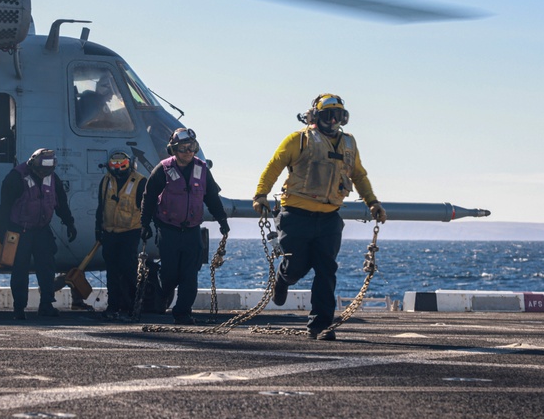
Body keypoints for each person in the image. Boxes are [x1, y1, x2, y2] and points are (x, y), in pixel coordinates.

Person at [253, 94, 387, 341]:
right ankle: (283, 279)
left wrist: (373, 202)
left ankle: (320, 326)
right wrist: (261, 194)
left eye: (338, 115)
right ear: (316, 116)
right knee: (296, 266)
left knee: (326, 270)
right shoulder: (298, 140)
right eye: (328, 115)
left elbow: (359, 175)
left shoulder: (349, 144)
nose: (333, 120)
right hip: (296, 215)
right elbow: (274, 165)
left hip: (329, 218)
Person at [141, 128, 230, 325]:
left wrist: (222, 220)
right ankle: (164, 294)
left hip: (191, 231)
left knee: (190, 275)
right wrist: (144, 223)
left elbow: (212, 197)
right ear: (173, 149)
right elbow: (149, 197)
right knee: (170, 274)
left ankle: (182, 312)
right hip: (168, 230)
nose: (189, 152)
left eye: (192, 147)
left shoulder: (202, 170)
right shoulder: (163, 170)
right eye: (183, 148)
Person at [0, 148, 78, 320]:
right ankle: (19, 308)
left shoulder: (52, 178)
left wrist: (69, 223)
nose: (43, 174)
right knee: (20, 270)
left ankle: (46, 305)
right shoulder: (15, 178)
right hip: (20, 230)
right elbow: (4, 207)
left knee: (47, 268)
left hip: (42, 230)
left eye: (47, 170)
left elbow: (61, 203)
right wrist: (2, 232)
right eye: (41, 170)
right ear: (33, 164)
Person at [95, 151, 147, 320]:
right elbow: (101, 206)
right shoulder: (105, 181)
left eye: (122, 165)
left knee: (128, 269)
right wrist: (98, 229)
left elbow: (146, 207)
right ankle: (113, 306)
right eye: (114, 165)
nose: (118, 169)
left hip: (130, 231)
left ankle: (132, 305)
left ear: (129, 164)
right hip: (110, 232)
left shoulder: (139, 181)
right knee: (112, 271)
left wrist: (146, 227)